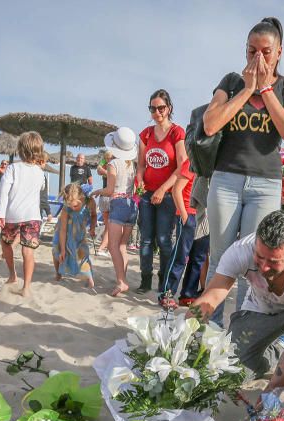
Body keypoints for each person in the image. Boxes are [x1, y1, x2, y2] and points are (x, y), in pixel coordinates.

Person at [202, 17, 284, 323]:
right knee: (220, 258)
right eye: (251, 51)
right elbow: (210, 123)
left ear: (279, 52)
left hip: (265, 184)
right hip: (226, 178)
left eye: (266, 51)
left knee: (257, 262)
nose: (258, 58)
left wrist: (267, 90)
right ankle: (211, 330)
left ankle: (242, 331)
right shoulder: (232, 82)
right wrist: (248, 90)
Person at [188, 210, 284, 392]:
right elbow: (209, 299)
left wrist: (272, 390)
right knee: (235, 372)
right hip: (259, 311)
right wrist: (178, 340)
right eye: (259, 257)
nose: (264, 267)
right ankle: (278, 347)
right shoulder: (240, 251)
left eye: (273, 261)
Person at [136, 89, 186, 295]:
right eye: (153, 108)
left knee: (165, 240)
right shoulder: (145, 134)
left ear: (169, 109)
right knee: (146, 239)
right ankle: (145, 280)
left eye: (161, 108)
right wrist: (139, 181)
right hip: (147, 193)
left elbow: (182, 164)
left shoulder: (177, 132)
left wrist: (164, 188)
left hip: (166, 195)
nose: (157, 112)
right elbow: (140, 165)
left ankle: (164, 281)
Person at [0, 131, 48, 297]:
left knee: (6, 243)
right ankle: (26, 288)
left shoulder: (12, 168)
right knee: (28, 251)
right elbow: (40, 189)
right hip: (33, 216)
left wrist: (0, 214)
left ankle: (12, 275)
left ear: (20, 149)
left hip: (13, 214)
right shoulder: (41, 173)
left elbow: (3, 192)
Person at [89, 127, 137, 297]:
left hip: (118, 204)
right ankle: (123, 278)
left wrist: (97, 192)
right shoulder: (132, 164)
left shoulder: (112, 164)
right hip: (132, 205)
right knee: (122, 245)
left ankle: (121, 282)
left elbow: (110, 190)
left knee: (112, 246)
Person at [160, 159, 209, 309]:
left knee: (198, 258)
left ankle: (188, 294)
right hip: (189, 213)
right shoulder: (192, 162)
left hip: (206, 216)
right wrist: (184, 216)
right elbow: (176, 190)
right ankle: (167, 294)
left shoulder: (215, 164)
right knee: (180, 256)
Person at [52, 182, 96, 288]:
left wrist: (93, 227)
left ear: (81, 197)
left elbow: (94, 215)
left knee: (83, 254)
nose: (73, 208)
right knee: (57, 251)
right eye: (70, 205)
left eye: (75, 205)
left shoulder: (90, 202)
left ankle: (89, 278)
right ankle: (58, 273)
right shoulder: (66, 208)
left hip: (79, 233)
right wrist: (63, 250)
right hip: (63, 232)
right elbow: (62, 230)